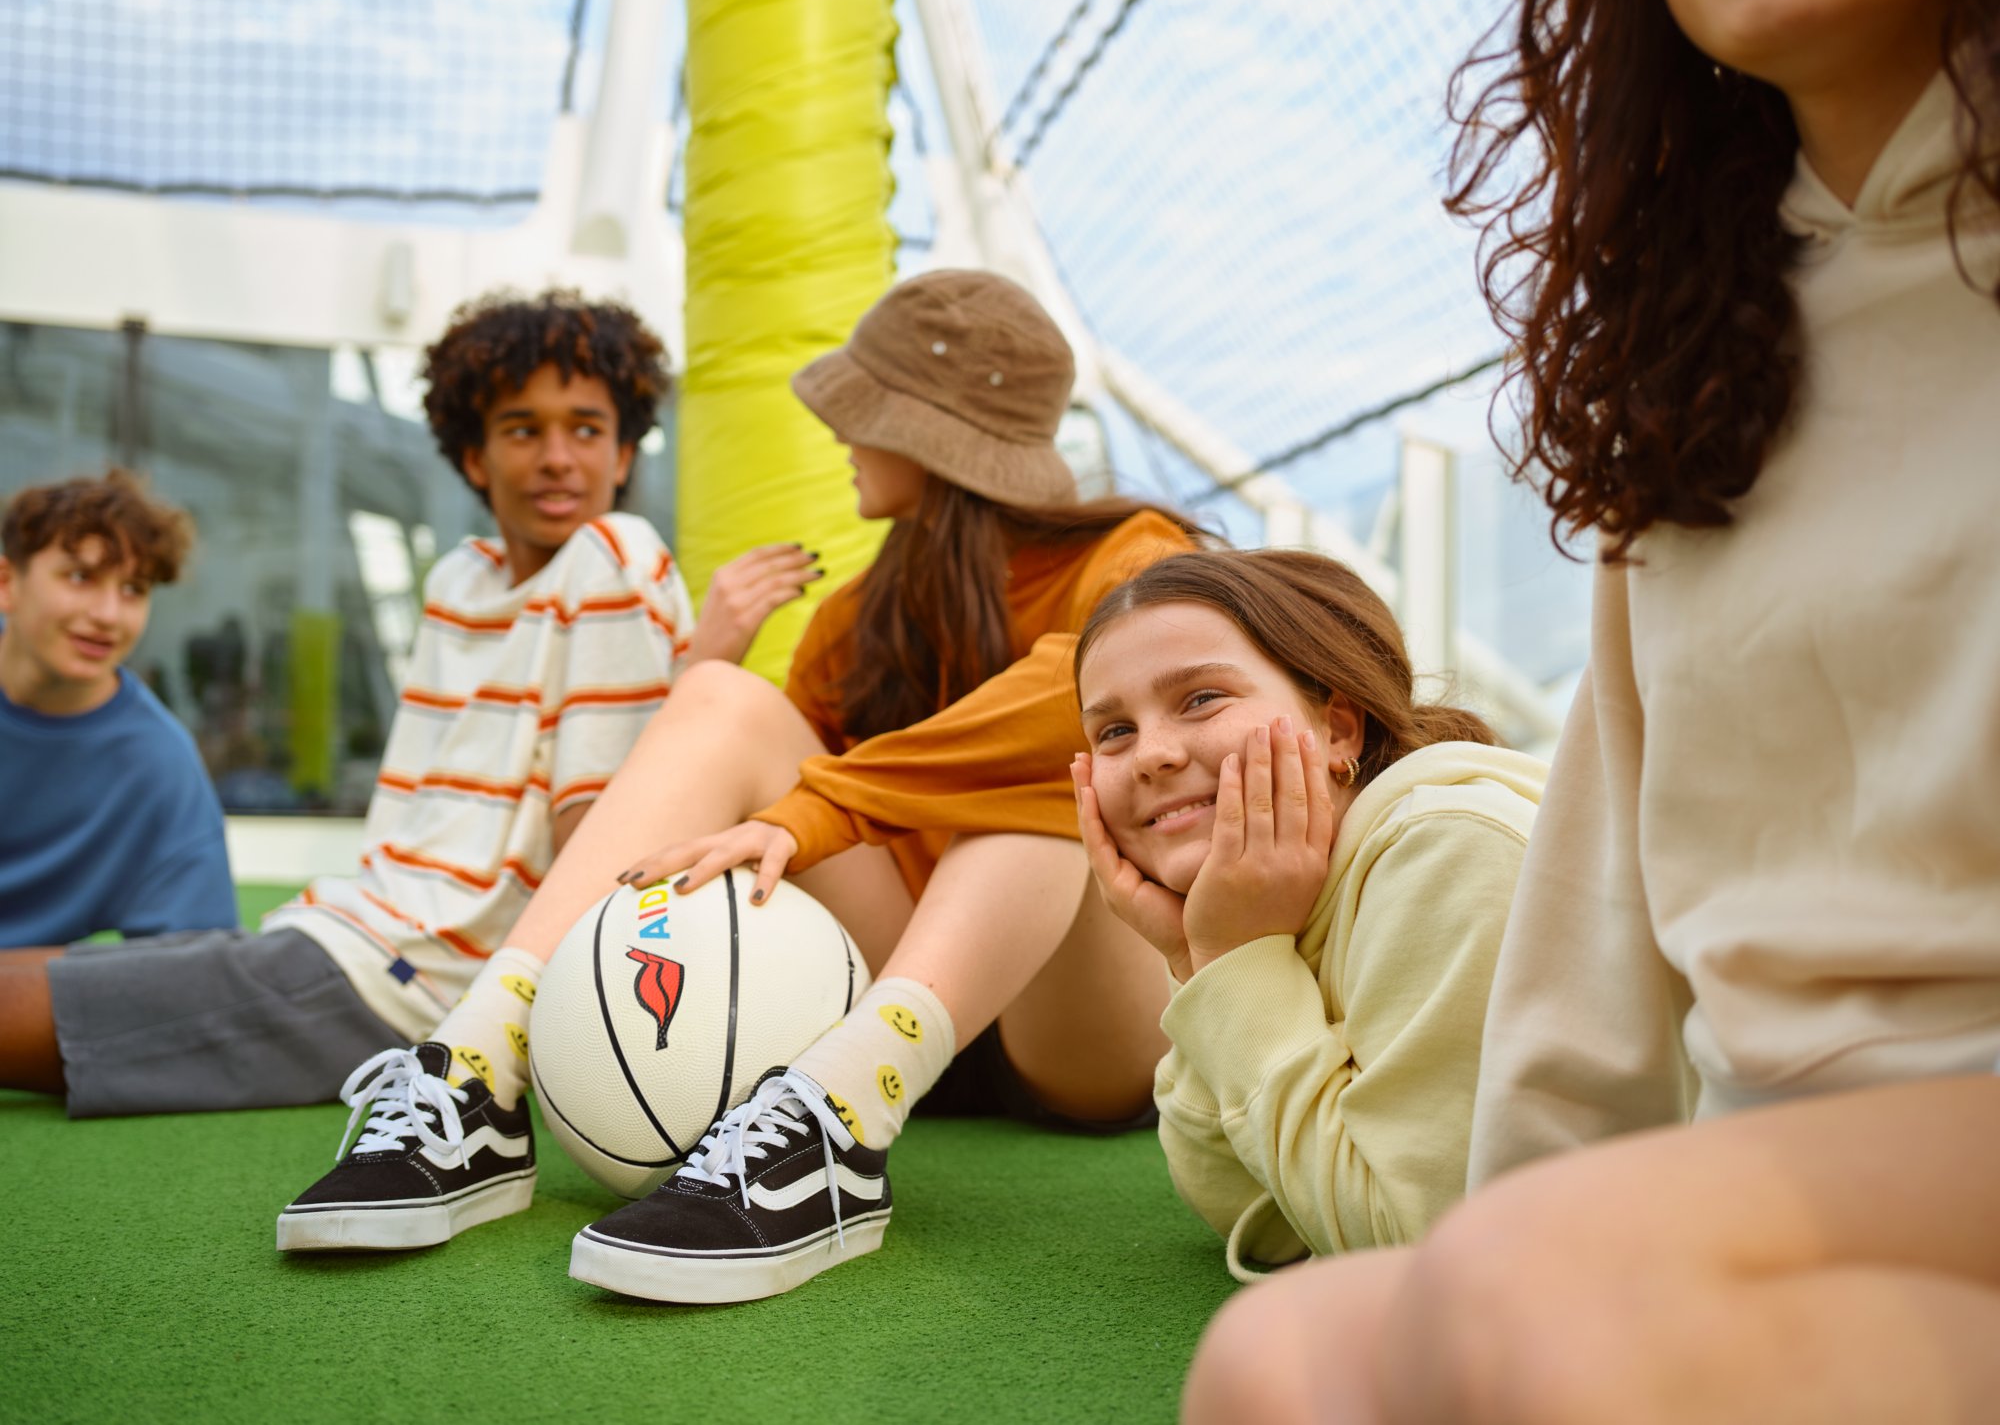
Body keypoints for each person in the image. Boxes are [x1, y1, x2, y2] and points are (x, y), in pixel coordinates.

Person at [1180, 0, 2000, 1419]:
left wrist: (1538, 1267)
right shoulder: (1700, 371)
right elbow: (1602, 938)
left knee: (1534, 1297)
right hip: (1751, 1182)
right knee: (1278, 1367)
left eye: (1195, 698)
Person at [280, 269, 1201, 1296]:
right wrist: (747, 744)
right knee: (723, 697)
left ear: (926, 433)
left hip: (1082, 1028)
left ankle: (839, 1136)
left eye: (863, 411)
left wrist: (824, 807)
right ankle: (480, 1070)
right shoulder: (859, 614)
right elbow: (740, 797)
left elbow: (1074, 699)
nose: (840, 434)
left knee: (1058, 761)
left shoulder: (1138, 556)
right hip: (898, 987)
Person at [0, 289, 813, 1124]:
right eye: (523, 430)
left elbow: (603, 853)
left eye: (587, 429)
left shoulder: (613, 555)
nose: (558, 458)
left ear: (622, 457)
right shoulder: (464, 582)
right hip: (352, 932)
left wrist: (702, 664)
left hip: (413, 984)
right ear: (474, 457)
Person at [1068, 550, 1543, 1279]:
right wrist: (1197, 960)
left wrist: (1232, 960)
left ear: (1337, 731)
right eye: (1113, 732)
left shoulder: (1448, 850)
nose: (1151, 755)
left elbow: (1420, 1252)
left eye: (1201, 698)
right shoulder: (1262, 911)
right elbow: (1249, 1208)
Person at [0, 469, 235, 949]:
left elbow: (194, 971)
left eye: (134, 589)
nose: (109, 614)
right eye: (81, 577)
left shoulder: (159, 767)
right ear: (6, 584)